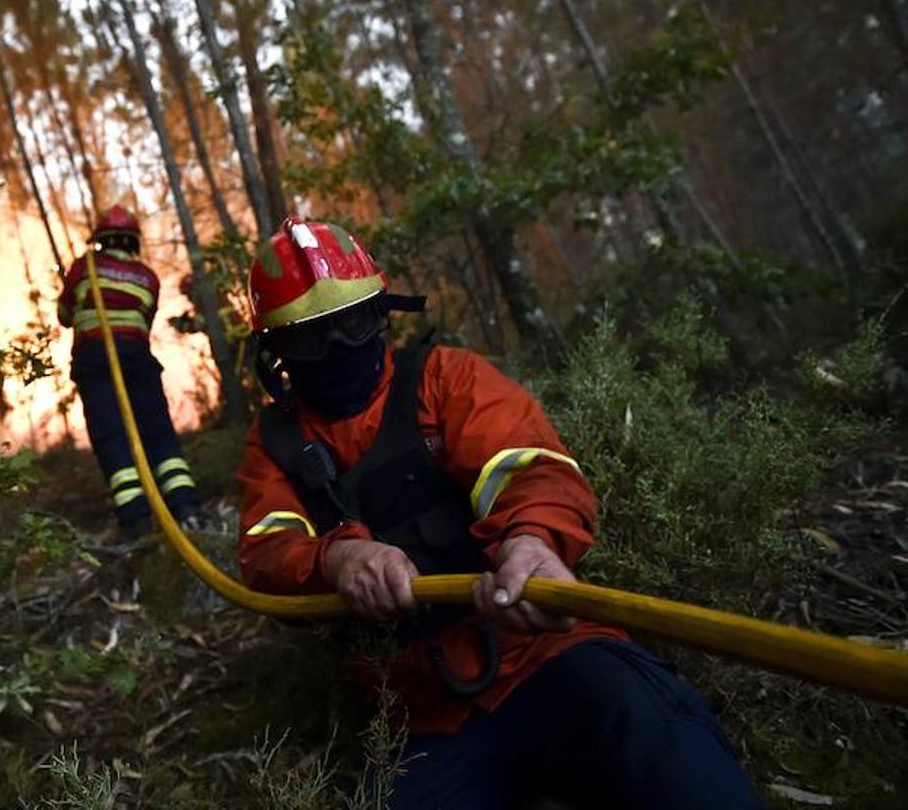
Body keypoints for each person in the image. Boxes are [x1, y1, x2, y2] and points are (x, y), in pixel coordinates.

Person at [236, 217, 765, 809]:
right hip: (423, 721)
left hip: (547, 658)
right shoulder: (275, 445)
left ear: (383, 314)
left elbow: (527, 467)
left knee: (666, 749)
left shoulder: (446, 380)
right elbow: (267, 549)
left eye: (353, 323)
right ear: (276, 353)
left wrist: (532, 540)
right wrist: (337, 556)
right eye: (311, 338)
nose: (338, 350)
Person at [59, 204, 202, 540]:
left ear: (100, 238)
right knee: (158, 432)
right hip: (137, 357)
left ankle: (137, 521)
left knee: (112, 436)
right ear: (133, 241)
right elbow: (144, 323)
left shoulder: (83, 268)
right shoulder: (148, 278)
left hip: (95, 360)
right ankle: (185, 507)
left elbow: (65, 315)